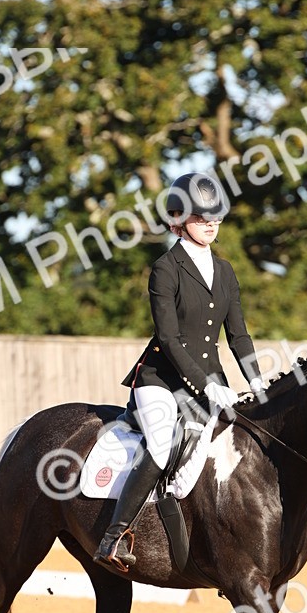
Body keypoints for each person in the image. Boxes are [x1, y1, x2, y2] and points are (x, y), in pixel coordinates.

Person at [93, 172, 265, 571]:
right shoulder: (165, 268)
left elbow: (238, 334)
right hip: (161, 380)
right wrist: (205, 384)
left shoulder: (225, 271)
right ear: (177, 220)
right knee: (160, 445)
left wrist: (256, 380)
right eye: (200, 217)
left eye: (215, 216)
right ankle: (113, 537)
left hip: (212, 382)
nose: (210, 223)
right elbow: (169, 339)